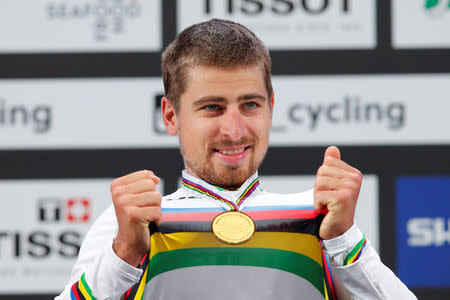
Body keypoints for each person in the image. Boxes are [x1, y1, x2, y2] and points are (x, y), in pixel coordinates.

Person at [56, 19, 416, 300]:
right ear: (170, 116)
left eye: (250, 105)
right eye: (212, 107)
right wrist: (124, 253)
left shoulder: (321, 220)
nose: (233, 129)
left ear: (271, 108)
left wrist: (343, 239)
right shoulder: (128, 226)